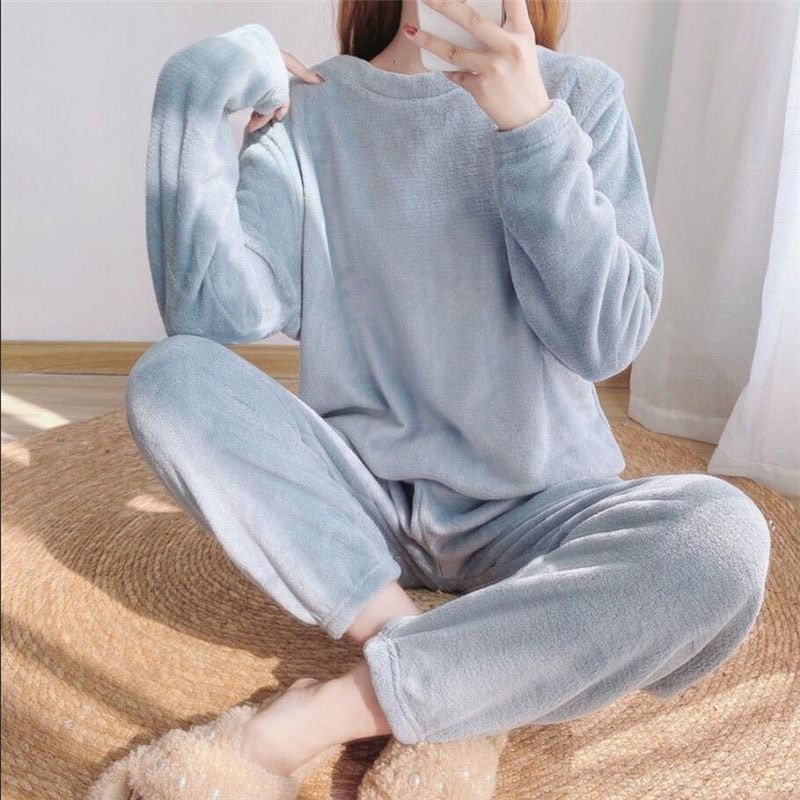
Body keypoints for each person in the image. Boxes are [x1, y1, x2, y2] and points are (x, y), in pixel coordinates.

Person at [122, 0, 771, 794]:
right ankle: (452, 667)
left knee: (719, 537)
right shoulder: (315, 108)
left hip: (541, 514)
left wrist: (531, 128)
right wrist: (196, 88)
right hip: (363, 513)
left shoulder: (578, 95)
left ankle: (335, 709)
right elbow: (207, 317)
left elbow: (604, 341)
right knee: (172, 375)